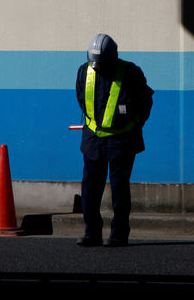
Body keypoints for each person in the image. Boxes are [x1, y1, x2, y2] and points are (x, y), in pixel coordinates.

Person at [75, 33, 154, 247]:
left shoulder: (130, 72)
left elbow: (145, 102)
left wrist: (133, 124)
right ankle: (92, 233)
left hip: (122, 140)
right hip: (93, 138)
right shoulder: (85, 71)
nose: (97, 66)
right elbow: (82, 99)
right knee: (90, 189)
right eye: (95, 62)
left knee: (119, 188)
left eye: (101, 63)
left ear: (113, 57)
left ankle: (119, 234)